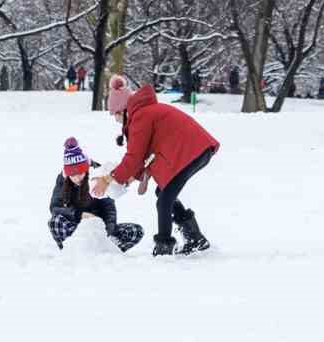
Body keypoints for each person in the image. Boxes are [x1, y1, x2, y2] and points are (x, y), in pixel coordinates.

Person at [94, 83, 219, 256]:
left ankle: (164, 248)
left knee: (164, 200)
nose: (115, 119)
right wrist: (128, 179)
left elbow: (134, 158)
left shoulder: (141, 116)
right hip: (193, 151)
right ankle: (195, 238)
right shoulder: (145, 112)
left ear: (124, 110)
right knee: (163, 193)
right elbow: (143, 156)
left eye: (114, 113)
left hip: (191, 152)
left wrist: (107, 179)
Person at [49, 138, 143, 253]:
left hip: (100, 229)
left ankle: (106, 251)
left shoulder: (99, 176)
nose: (77, 178)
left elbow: (109, 209)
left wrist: (108, 233)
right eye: (73, 175)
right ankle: (73, 250)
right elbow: (55, 208)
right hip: (76, 228)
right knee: (55, 222)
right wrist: (79, 214)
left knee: (136, 231)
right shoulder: (62, 180)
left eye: (80, 173)